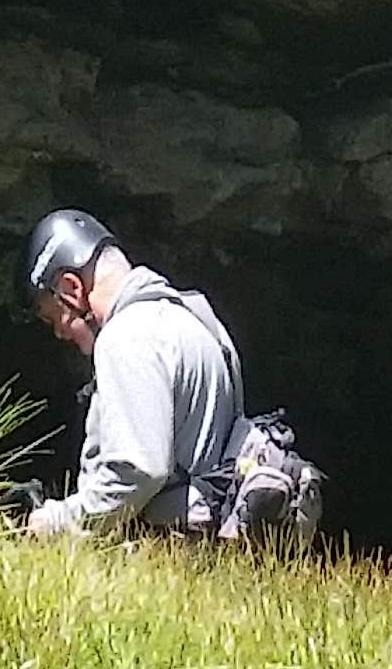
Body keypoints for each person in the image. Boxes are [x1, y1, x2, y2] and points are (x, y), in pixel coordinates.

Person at [14, 207, 251, 540]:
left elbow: (137, 471)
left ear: (71, 289)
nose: (59, 334)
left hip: (174, 562)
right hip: (220, 549)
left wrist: (56, 521)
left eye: (54, 318)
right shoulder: (198, 320)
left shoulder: (127, 335)